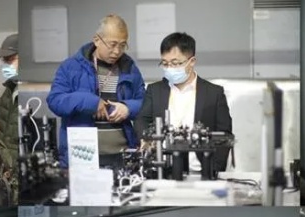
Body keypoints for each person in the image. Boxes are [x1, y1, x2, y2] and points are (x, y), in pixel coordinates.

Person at [47, 15, 146, 168]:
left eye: (122, 45)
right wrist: (91, 103)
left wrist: (127, 108)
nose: (117, 51)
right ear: (97, 40)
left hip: (122, 156)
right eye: (112, 44)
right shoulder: (71, 67)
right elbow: (55, 101)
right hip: (83, 155)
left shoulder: (129, 68)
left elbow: (145, 103)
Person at [137, 32, 233, 175]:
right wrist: (147, 141)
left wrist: (214, 169)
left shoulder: (214, 93)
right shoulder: (155, 90)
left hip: (202, 171)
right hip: (162, 170)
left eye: (175, 63)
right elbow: (141, 120)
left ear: (192, 61)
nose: (169, 68)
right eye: (165, 63)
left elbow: (224, 134)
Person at [0, 33, 20, 155]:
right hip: (6, 160)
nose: (6, 64)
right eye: (4, 60)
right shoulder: (8, 91)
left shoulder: (33, 95)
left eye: (10, 59)